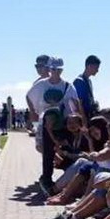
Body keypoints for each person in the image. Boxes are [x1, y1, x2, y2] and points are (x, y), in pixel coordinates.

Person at [26, 57, 79, 196]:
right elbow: (29, 96)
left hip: (62, 122)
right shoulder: (42, 84)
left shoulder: (67, 85)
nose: (55, 71)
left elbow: (75, 102)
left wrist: (79, 119)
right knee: (48, 152)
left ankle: (69, 177)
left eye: (58, 69)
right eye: (53, 69)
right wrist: (33, 112)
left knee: (67, 148)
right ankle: (46, 179)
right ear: (49, 69)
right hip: (46, 122)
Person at [73, 56, 101, 123]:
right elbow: (79, 103)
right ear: (89, 66)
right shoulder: (79, 81)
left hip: (89, 115)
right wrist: (84, 120)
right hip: (83, 117)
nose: (97, 70)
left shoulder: (89, 81)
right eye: (96, 68)